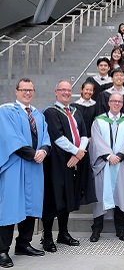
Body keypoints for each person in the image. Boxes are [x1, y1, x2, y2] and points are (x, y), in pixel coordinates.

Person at [0, 78, 51, 268]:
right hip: (15, 164)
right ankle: (2, 250)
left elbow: (46, 136)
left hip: (34, 166)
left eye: (30, 90)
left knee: (32, 205)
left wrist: (44, 151)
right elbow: (10, 137)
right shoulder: (6, 111)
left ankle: (23, 243)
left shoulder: (38, 115)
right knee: (10, 207)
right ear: (16, 91)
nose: (27, 93)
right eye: (24, 90)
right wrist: (32, 154)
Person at [42, 80, 96, 253]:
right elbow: (57, 137)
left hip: (74, 161)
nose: (66, 92)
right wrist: (77, 152)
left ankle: (63, 234)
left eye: (68, 90)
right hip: (57, 162)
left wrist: (79, 152)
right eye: (62, 90)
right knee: (52, 198)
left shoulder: (75, 111)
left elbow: (84, 134)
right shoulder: (51, 112)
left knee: (68, 197)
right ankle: (48, 236)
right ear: (56, 92)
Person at [89, 93, 124, 242]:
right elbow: (96, 141)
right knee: (100, 197)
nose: (116, 103)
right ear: (109, 103)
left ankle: (121, 230)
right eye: (114, 101)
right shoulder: (98, 120)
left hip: (121, 164)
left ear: (122, 104)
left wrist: (119, 156)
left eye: (119, 101)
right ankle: (96, 230)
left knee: (121, 197)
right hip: (104, 164)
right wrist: (109, 156)